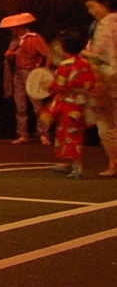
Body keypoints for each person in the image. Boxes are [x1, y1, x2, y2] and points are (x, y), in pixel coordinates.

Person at [45, 29, 95, 179]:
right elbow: (89, 84)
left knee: (69, 135)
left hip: (68, 104)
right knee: (73, 134)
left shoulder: (65, 65)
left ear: (63, 47)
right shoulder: (85, 63)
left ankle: (77, 168)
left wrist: (49, 86)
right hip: (80, 104)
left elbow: (58, 85)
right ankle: (69, 164)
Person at [0, 12, 50, 144]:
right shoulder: (15, 41)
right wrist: (10, 57)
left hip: (31, 72)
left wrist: (42, 70)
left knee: (37, 105)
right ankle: (23, 133)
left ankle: (43, 132)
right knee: (20, 105)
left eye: (14, 27)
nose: (12, 30)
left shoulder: (34, 38)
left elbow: (48, 54)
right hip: (18, 73)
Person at [82, 0, 117, 176]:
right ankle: (114, 162)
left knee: (107, 124)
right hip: (106, 77)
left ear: (103, 3)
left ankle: (114, 162)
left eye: (92, 6)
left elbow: (103, 56)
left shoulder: (107, 25)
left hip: (107, 78)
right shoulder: (99, 25)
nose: (91, 11)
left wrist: (88, 57)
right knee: (107, 124)